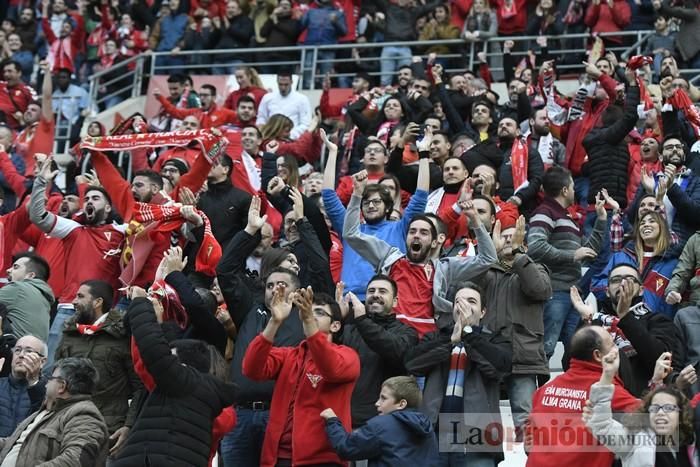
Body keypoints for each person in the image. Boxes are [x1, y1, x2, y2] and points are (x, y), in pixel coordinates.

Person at [344, 169, 497, 337]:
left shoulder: (444, 268)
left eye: (424, 233)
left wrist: (475, 220)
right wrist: (357, 194)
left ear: (434, 242)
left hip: (425, 339)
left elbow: (488, 259)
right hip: (391, 333)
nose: (416, 235)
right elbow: (351, 234)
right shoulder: (389, 257)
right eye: (412, 231)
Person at [111, 288, 237, 467]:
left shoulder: (181, 388)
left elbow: (150, 358)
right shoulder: (224, 408)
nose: (171, 367)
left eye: (174, 361)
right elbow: (145, 362)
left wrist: (150, 316)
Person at [242, 286, 360, 467]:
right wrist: (274, 321)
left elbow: (330, 368)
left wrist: (309, 323)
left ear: (335, 325)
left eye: (319, 312)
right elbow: (251, 369)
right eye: (307, 311)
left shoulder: (348, 356)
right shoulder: (289, 355)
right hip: (276, 458)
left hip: (323, 460)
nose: (310, 315)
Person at [29, 156, 125, 366]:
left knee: (92, 371)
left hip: (105, 314)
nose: (89, 201)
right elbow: (37, 216)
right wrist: (40, 183)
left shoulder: (122, 232)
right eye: (87, 198)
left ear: (109, 208)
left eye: (96, 198)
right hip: (69, 308)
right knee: (50, 367)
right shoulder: (73, 229)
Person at [405, 281, 511, 466]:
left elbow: (499, 369)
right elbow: (412, 363)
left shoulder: (495, 339)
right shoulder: (437, 337)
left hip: (477, 433)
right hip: (435, 431)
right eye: (458, 301)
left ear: (483, 311)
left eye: (471, 301)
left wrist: (469, 333)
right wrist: (450, 341)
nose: (463, 306)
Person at [323, 131, 428, 300]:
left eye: (377, 202)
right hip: (350, 300)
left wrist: (424, 154)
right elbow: (328, 196)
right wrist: (333, 153)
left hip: (387, 300)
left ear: (388, 208)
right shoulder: (351, 228)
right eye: (366, 202)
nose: (371, 205)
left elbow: (421, 195)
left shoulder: (401, 229)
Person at [478, 216, 552, 440]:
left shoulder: (537, 268)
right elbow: (466, 292)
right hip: (487, 356)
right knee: (481, 422)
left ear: (525, 246)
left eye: (515, 239)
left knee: (526, 423)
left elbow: (540, 290)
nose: (509, 242)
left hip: (523, 357)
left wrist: (520, 256)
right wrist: (489, 255)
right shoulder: (487, 272)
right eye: (504, 238)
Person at [54, 279, 145, 458]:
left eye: (80, 296)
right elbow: (55, 381)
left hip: (107, 431)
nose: (74, 301)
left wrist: (129, 426)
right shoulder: (69, 332)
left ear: (98, 302)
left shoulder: (123, 335)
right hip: (65, 426)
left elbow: (140, 387)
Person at [525, 326, 640, 466]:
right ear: (598, 356)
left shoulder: (544, 390)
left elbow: (528, 441)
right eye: (612, 344)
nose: (617, 349)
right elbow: (655, 416)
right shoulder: (608, 391)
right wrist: (657, 382)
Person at [527, 166, 607, 359]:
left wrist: (601, 219)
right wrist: (571, 256)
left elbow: (587, 251)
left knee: (575, 353)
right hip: (554, 292)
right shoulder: (544, 212)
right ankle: (539, 389)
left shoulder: (567, 217)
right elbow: (535, 247)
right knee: (546, 348)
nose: (574, 191)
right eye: (572, 187)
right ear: (564, 190)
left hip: (572, 294)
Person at [571, 264, 680, 396]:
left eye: (629, 279)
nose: (622, 283)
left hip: (638, 401)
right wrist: (586, 319)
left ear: (641, 290)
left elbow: (659, 360)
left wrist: (625, 317)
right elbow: (569, 364)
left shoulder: (658, 321)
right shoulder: (594, 321)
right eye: (616, 280)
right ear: (607, 290)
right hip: (593, 398)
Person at [584, 347, 696, 466]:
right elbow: (602, 426)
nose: (661, 413)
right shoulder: (635, 441)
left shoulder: (689, 443)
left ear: (681, 414)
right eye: (654, 408)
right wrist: (607, 375)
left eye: (668, 408)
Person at [338, 276, 419, 427]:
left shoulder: (407, 332)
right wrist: (338, 321)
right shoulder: (349, 329)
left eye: (383, 291)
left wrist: (362, 320)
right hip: (343, 418)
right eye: (371, 291)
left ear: (395, 301)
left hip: (382, 423)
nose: (375, 294)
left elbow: (396, 351)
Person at [0, 357, 109, 466]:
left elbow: (74, 460)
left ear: (62, 386)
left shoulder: (84, 416)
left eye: (50, 378)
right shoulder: (47, 411)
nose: (46, 383)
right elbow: (18, 444)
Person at [322, 376, 439, 467]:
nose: (377, 403)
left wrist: (332, 421)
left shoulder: (381, 425)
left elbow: (346, 449)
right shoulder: (427, 426)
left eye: (384, 398)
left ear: (401, 404)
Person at [590, 211, 679, 318]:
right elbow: (596, 285)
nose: (646, 224)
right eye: (642, 223)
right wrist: (618, 287)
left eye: (652, 221)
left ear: (662, 228)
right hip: (618, 320)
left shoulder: (672, 262)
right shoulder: (622, 256)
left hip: (653, 325)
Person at [198, 154, 252, 248]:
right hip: (201, 257)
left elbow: (250, 234)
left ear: (225, 169)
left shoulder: (243, 198)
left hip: (229, 257)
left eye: (214, 163)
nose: (208, 165)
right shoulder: (200, 199)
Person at [0, 335, 47, 437]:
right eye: (17, 350)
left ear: (42, 362)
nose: (21, 355)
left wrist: (33, 382)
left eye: (28, 351)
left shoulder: (48, 391)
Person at [0, 252, 53, 342]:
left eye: (15, 267)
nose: (8, 270)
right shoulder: (44, 298)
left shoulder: (18, 289)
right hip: (33, 353)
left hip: (14, 351)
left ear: (30, 275)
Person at [257, 71, 312, 139]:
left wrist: (289, 134)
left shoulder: (302, 99)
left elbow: (305, 123)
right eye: (280, 84)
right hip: (270, 136)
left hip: (293, 138)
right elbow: (261, 117)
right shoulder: (267, 97)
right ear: (277, 82)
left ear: (291, 82)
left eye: (286, 84)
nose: (283, 87)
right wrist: (265, 130)